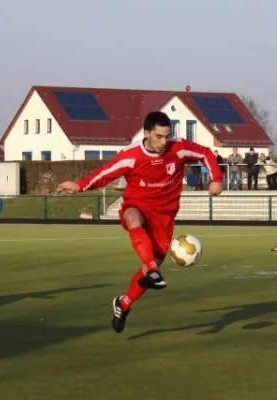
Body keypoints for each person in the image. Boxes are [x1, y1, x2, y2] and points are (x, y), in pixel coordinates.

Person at [56, 111, 223, 333]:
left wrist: (217, 178)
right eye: (158, 137)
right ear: (146, 133)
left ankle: (123, 303)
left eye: (166, 136)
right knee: (131, 216)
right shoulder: (131, 155)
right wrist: (80, 185)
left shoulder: (178, 147)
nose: (163, 142)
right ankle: (153, 271)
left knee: (147, 268)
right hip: (139, 204)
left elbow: (205, 154)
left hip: (164, 216)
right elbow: (106, 173)